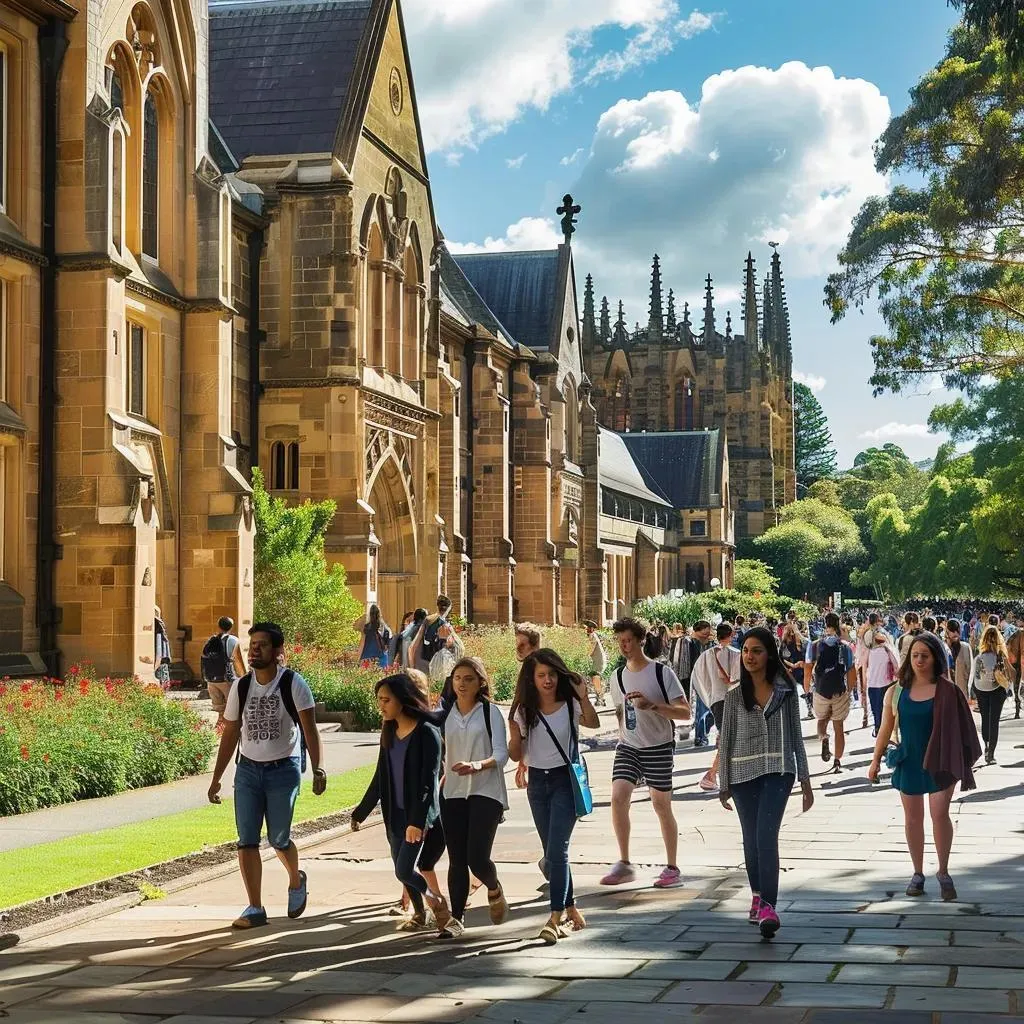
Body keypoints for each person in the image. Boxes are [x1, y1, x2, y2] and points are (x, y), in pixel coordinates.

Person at [207, 622, 326, 929]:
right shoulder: (241, 686)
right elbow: (231, 730)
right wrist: (217, 776)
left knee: (279, 837)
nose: (254, 649)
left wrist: (318, 767)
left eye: (261, 644)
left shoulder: (293, 683)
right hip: (247, 770)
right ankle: (255, 907)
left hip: (283, 770)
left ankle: (295, 879)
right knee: (246, 840)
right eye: (252, 645)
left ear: (277, 651)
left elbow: (309, 728)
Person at [868, 633, 981, 901]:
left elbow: (962, 728)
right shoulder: (896, 691)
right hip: (909, 760)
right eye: (915, 655)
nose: (919, 660)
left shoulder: (949, 691)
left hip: (941, 761)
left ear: (935, 658)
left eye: (925, 655)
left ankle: (943, 871)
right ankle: (917, 873)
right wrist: (875, 760)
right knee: (913, 818)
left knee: (939, 813)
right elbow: (885, 728)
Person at [719, 627, 812, 939]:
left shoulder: (786, 692)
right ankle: (757, 895)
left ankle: (769, 906)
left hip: (778, 769)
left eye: (756, 650)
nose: (749, 657)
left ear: (769, 654)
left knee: (765, 834)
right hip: (742, 773)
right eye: (745, 650)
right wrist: (723, 783)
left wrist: (806, 780)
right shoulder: (733, 696)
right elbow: (726, 739)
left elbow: (797, 736)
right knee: (750, 837)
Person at [509, 649, 599, 944]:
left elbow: (593, 723)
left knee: (558, 850)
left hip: (565, 780)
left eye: (551, 674)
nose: (547, 680)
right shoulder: (525, 710)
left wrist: (583, 695)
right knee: (551, 853)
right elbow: (515, 754)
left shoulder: (570, 703)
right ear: (531, 679)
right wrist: (513, 732)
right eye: (541, 675)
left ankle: (554, 915)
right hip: (537, 782)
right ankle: (572, 909)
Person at [351, 674, 451, 933]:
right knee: (402, 870)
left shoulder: (426, 732)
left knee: (404, 870)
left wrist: (417, 821)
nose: (381, 706)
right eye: (379, 700)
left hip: (417, 816)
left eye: (386, 700)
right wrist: (361, 812)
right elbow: (379, 778)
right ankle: (420, 914)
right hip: (393, 815)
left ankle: (436, 901)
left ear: (403, 700)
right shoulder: (390, 732)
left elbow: (429, 782)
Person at [601, 618, 691, 888]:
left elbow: (685, 712)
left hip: (659, 746)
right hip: (628, 746)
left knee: (661, 805)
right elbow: (620, 711)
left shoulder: (661, 673)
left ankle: (672, 867)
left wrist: (653, 706)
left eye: (628, 640)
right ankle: (625, 862)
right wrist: (621, 733)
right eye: (619, 641)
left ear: (640, 640)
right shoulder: (617, 676)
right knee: (618, 797)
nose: (624, 646)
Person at [438, 657, 509, 938]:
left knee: (477, 858)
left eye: (468, 679)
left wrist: (478, 765)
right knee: (456, 858)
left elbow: (502, 754)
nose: (462, 684)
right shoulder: (444, 714)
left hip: (486, 790)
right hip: (452, 792)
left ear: (480, 682)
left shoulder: (490, 713)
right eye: (457, 678)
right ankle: (456, 918)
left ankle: (493, 887)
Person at [690, 622, 741, 792]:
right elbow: (737, 680)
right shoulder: (735, 654)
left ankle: (717, 775)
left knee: (728, 737)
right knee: (730, 738)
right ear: (731, 634)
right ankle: (712, 775)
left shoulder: (706, 655)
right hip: (731, 699)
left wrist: (709, 696)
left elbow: (698, 678)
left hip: (715, 700)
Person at [806, 612, 856, 773]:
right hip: (839, 689)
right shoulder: (845, 647)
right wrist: (849, 691)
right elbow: (851, 671)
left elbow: (808, 669)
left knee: (821, 720)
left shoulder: (814, 645)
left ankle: (824, 738)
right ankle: (837, 761)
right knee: (839, 727)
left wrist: (807, 689)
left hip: (821, 690)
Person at [970, 625, 1013, 765]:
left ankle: (987, 745)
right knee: (994, 721)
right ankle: (991, 753)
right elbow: (1010, 675)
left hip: (981, 689)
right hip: (997, 690)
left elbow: (975, 676)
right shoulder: (1000, 656)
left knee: (985, 718)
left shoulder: (979, 657)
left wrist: (973, 691)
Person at [201, 615, 247, 718]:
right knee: (232, 711)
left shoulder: (210, 640)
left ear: (219, 626)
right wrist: (245, 677)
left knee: (220, 711)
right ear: (231, 627)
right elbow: (238, 661)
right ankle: (228, 732)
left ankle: (218, 732)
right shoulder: (234, 640)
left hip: (211, 680)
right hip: (226, 680)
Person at [865, 628, 900, 737]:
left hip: (872, 685)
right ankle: (886, 733)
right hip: (886, 684)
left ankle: (878, 729)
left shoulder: (868, 652)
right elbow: (896, 666)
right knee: (886, 710)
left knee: (876, 710)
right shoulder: (888, 650)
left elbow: (863, 667)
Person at [688, 619, 716, 748]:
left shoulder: (710, 644)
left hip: (710, 680)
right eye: (705, 632)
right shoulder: (690, 643)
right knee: (702, 709)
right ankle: (700, 737)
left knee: (711, 710)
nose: (707, 633)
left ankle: (702, 733)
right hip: (699, 680)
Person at [409, 595, 453, 673]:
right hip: (439, 662)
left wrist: (412, 667)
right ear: (448, 609)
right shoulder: (445, 625)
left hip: (424, 659)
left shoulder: (428, 619)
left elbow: (412, 647)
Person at [779, 622, 808, 720]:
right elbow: (807, 656)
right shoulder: (803, 641)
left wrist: (790, 666)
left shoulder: (784, 643)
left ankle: (792, 713)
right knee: (806, 689)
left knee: (791, 693)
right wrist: (800, 664)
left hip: (791, 671)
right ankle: (810, 710)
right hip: (802, 669)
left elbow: (781, 658)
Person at [945, 619, 972, 700]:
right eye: (952, 631)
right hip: (947, 692)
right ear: (947, 631)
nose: (955, 633)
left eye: (957, 630)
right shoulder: (943, 647)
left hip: (962, 690)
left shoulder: (965, 647)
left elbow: (970, 669)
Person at [583, 620, 607, 707]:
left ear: (591, 629)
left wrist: (582, 654)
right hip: (597, 661)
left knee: (596, 678)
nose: (585, 630)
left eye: (587, 628)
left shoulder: (593, 636)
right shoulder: (591, 636)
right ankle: (601, 699)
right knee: (595, 679)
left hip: (599, 661)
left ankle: (600, 699)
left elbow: (591, 650)